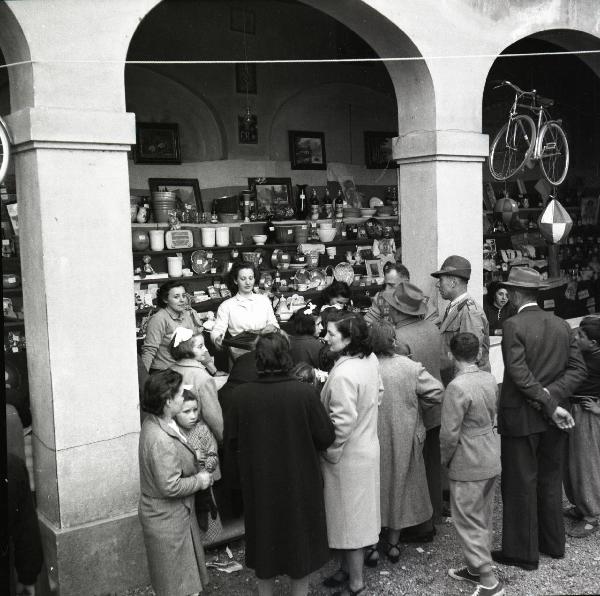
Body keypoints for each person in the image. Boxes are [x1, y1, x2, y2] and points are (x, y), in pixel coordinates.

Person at [227, 332, 335, 596]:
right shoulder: (303, 393)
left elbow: (231, 443)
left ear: (257, 359)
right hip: (299, 479)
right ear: (286, 356)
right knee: (300, 541)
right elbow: (326, 436)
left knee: (264, 539)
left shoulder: (240, 396)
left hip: (259, 481)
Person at [493, 267, 586, 571]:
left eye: (509, 290)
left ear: (517, 294)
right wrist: (552, 398)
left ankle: (522, 553)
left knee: (520, 484)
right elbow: (577, 371)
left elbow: (518, 374)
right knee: (549, 482)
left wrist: (546, 399)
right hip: (554, 416)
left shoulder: (512, 325)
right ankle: (552, 544)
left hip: (523, 416)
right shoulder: (562, 325)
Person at [371, 321, 443, 565]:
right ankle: (393, 543)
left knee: (373, 487)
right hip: (404, 434)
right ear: (393, 341)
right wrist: (416, 408)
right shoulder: (410, 367)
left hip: (371, 436)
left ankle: (371, 545)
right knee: (399, 485)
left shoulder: (364, 368)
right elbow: (437, 392)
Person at [320, 311, 382, 596]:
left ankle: (356, 584)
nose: (325, 337)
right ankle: (347, 570)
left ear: (348, 338)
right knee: (350, 517)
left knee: (351, 521)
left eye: (331, 333)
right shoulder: (369, 360)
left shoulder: (344, 373)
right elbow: (379, 392)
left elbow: (341, 423)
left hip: (347, 456)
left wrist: (330, 452)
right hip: (366, 446)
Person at [138, 370, 214, 596]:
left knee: (179, 581)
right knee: (178, 586)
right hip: (168, 520)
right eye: (181, 393)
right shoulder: (159, 439)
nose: (185, 396)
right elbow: (169, 486)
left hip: (171, 518)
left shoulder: (157, 422)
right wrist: (199, 481)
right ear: (168, 400)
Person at [441, 333, 503, 596]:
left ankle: (488, 580)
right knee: (483, 516)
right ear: (478, 354)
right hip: (490, 451)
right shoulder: (489, 378)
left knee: (467, 519)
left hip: (468, 460)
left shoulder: (456, 387)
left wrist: (444, 459)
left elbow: (449, 434)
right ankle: (476, 568)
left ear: (450, 355)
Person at [383, 281, 445, 538]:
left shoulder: (400, 338)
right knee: (431, 466)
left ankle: (417, 525)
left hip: (413, 411)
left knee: (410, 473)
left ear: (398, 311)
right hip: (434, 407)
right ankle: (433, 517)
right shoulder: (431, 327)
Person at [564, 316, 600, 538]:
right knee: (573, 463)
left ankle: (592, 515)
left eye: (582, 336)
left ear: (594, 343)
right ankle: (580, 504)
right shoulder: (584, 354)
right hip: (574, 411)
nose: (577, 338)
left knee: (587, 464)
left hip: (588, 415)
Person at [430, 255, 490, 385]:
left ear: (453, 282)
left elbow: (469, 359)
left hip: (466, 386)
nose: (437, 284)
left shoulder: (469, 312)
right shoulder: (456, 307)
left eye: (440, 280)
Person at [175, 390, 223, 545]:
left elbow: (212, 453)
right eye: (187, 411)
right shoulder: (174, 433)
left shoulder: (202, 429)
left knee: (208, 520)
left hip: (204, 484)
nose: (193, 415)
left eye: (195, 410)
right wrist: (192, 455)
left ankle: (210, 548)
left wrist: (207, 468)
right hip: (186, 488)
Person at [142, 279, 216, 374]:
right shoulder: (159, 319)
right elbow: (149, 351)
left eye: (184, 296)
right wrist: (142, 383)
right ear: (165, 300)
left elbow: (199, 345)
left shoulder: (187, 315)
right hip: (165, 372)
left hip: (185, 369)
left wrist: (214, 372)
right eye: (176, 297)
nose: (182, 300)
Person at [210, 262, 278, 359]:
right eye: (243, 279)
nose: (248, 282)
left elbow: (273, 322)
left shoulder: (264, 300)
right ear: (235, 280)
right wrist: (216, 338)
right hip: (239, 353)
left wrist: (273, 327)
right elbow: (218, 329)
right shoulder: (226, 306)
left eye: (251, 278)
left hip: (265, 350)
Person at [170, 327, 224, 442]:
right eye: (200, 346)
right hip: (200, 439)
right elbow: (213, 417)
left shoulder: (170, 370)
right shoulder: (203, 377)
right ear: (186, 350)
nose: (205, 349)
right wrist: (223, 440)